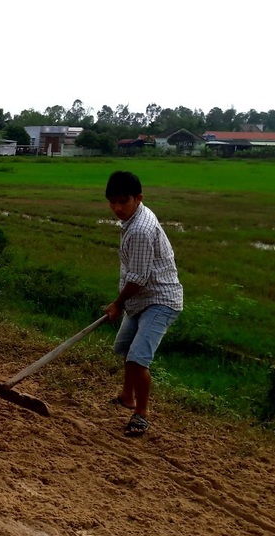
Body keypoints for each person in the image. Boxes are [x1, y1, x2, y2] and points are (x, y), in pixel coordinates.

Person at [103, 171, 183, 437]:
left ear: (138, 198)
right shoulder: (135, 217)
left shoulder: (139, 229)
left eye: (122, 202)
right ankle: (127, 396)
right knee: (125, 347)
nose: (116, 208)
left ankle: (142, 413)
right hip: (140, 298)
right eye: (112, 202)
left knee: (138, 359)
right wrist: (124, 303)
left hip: (160, 299)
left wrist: (117, 304)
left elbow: (138, 278)